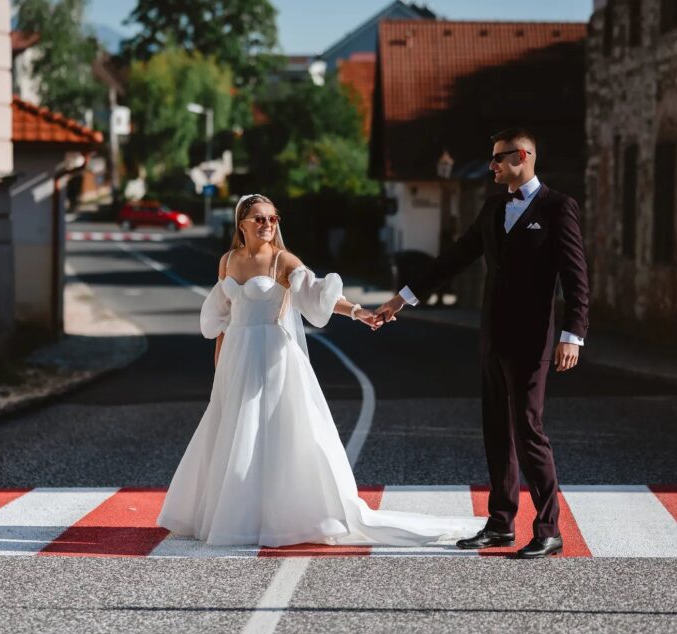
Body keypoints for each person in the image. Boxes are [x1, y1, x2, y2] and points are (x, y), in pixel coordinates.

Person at [156, 194, 484, 547]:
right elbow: (222, 319)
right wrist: (219, 368)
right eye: (259, 219)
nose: (268, 224)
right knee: (232, 432)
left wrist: (359, 312)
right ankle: (234, 514)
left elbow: (318, 295)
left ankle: (281, 518)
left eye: (273, 218)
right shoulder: (228, 261)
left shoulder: (283, 260)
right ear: (242, 224)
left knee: (273, 435)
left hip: (273, 358)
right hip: (237, 356)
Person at [374, 127, 589, 559]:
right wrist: (402, 299)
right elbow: (454, 257)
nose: (491, 166)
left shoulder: (557, 207)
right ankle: (501, 523)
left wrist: (573, 335)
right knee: (496, 430)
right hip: (493, 335)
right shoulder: (493, 207)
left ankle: (548, 528)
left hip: (533, 339)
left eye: (498, 158)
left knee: (528, 428)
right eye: (491, 158)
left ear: (523, 156)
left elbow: (575, 276)